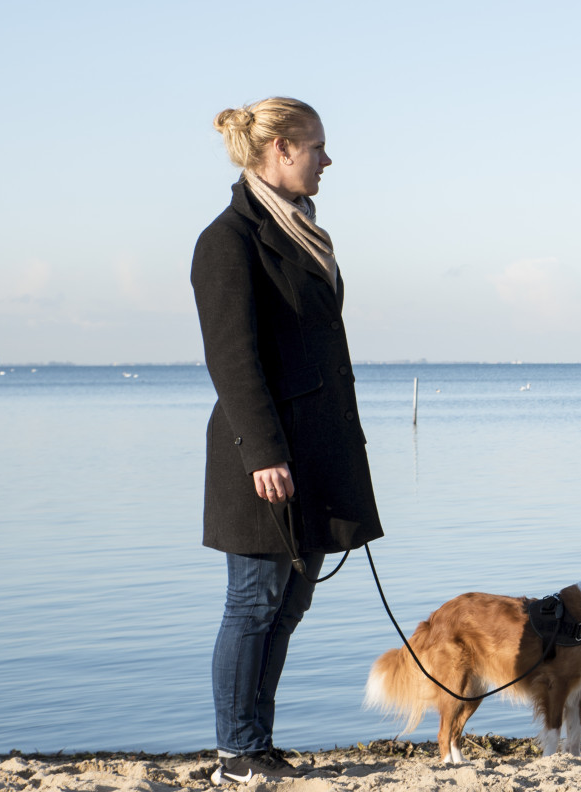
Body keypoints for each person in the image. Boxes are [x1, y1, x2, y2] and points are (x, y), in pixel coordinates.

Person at [193, 97, 383, 783]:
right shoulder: (229, 239)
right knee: (253, 602)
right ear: (279, 149)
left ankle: (256, 744)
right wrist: (263, 452)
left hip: (316, 450)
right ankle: (235, 754)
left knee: (290, 601)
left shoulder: (303, 231)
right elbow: (232, 358)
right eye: (317, 148)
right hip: (264, 458)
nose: (327, 161)